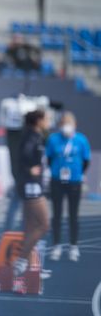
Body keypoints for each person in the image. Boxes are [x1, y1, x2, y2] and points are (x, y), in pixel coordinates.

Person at [13, 110, 51, 285]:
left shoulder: (35, 135)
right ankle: (21, 260)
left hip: (33, 184)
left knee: (30, 227)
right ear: (38, 121)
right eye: (47, 119)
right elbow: (23, 157)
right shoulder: (32, 136)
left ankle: (31, 268)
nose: (49, 121)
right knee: (43, 224)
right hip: (31, 185)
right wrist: (30, 169)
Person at [46, 112, 91, 262]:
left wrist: (78, 173)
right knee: (56, 214)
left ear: (75, 125)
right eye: (64, 123)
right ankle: (57, 245)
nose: (66, 126)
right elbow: (49, 158)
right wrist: (55, 171)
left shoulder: (81, 140)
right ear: (59, 125)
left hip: (74, 181)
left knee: (73, 215)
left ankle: (73, 246)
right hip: (57, 180)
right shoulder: (53, 139)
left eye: (69, 123)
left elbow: (86, 160)